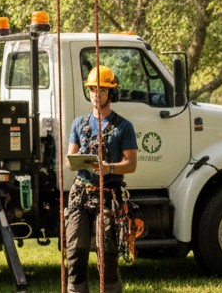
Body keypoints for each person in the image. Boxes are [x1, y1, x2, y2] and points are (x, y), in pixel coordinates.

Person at [65, 66, 139, 293]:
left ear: (111, 93)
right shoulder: (79, 124)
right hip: (81, 193)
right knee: (75, 252)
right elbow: (69, 161)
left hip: (109, 196)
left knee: (106, 255)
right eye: (94, 90)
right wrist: (77, 161)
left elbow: (131, 164)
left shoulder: (123, 127)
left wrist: (109, 169)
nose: (97, 95)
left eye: (103, 90)